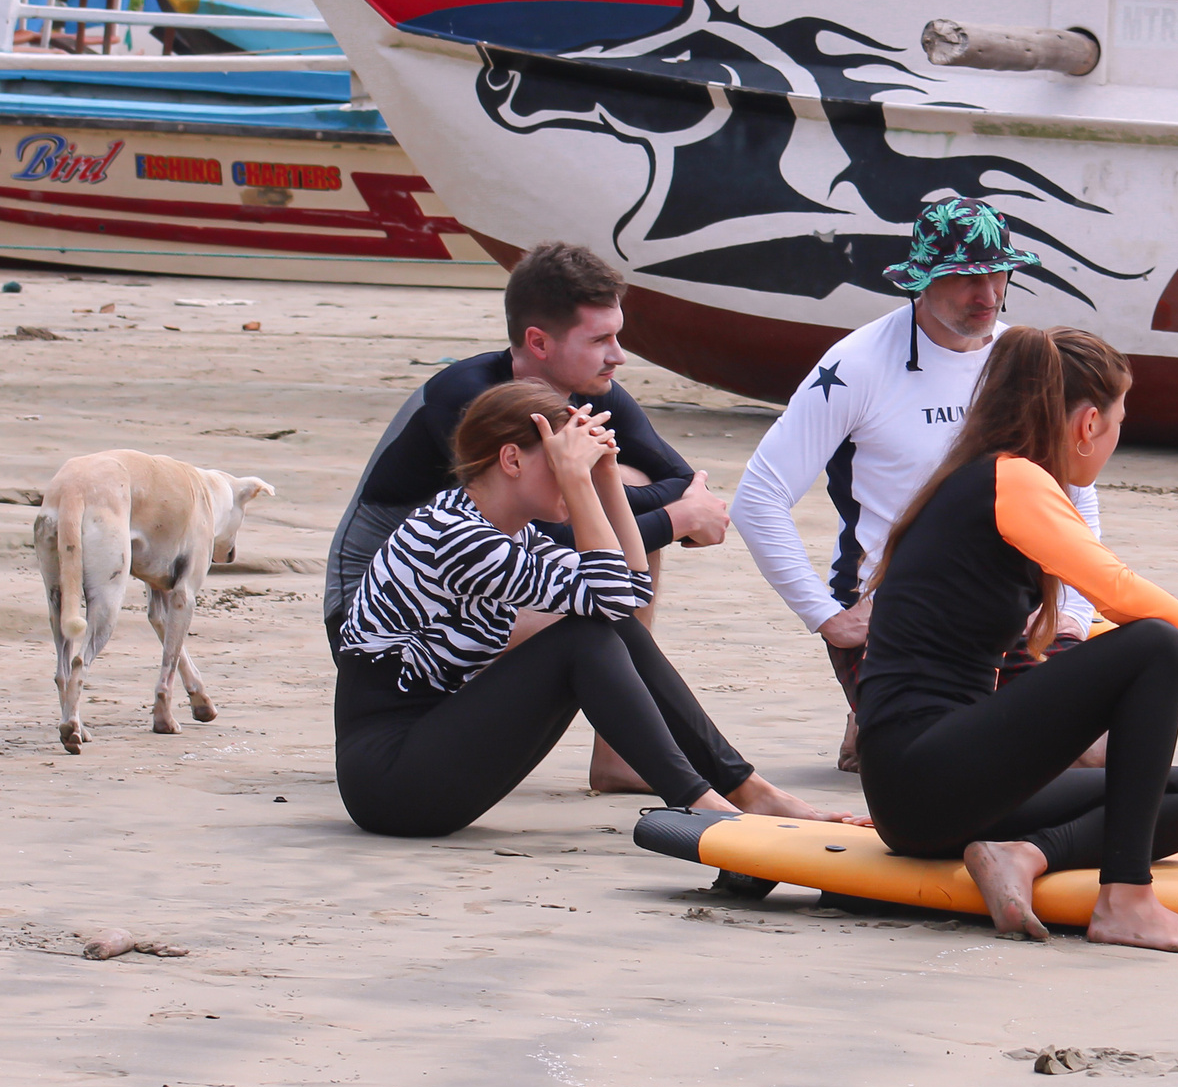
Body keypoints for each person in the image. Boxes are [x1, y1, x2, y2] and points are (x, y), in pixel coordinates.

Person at [855, 325, 1178, 954]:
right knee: (1159, 645)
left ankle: (1023, 854)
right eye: (1120, 420)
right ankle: (1125, 900)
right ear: (1088, 424)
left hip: (938, 788)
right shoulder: (1010, 478)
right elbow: (1116, 590)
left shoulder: (981, 476)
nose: (1117, 436)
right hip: (924, 777)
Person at [332, 380, 844, 839]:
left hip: (428, 754)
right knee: (586, 637)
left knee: (606, 629)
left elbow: (629, 594)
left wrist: (604, 475)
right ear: (511, 460)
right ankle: (703, 802)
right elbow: (613, 599)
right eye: (559, 463)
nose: (570, 475)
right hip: (392, 784)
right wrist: (578, 482)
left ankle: (743, 790)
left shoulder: (506, 531)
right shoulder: (456, 537)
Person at [326, 241, 729, 791]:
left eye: (618, 336)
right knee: (601, 594)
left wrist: (629, 492)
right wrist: (677, 520)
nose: (619, 356)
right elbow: (551, 534)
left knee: (623, 505)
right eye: (600, 340)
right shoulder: (472, 402)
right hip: (391, 622)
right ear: (538, 342)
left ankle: (622, 756)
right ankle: (707, 783)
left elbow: (677, 480)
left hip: (487, 589)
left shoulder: (589, 392)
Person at [731, 197, 1102, 771]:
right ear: (922, 280)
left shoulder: (1024, 360)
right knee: (978, 763)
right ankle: (878, 713)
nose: (987, 294)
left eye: (998, 274)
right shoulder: (856, 365)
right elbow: (759, 497)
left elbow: (1074, 494)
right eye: (966, 278)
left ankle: (876, 721)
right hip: (899, 614)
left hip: (1011, 606)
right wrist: (825, 616)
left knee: (1093, 755)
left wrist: (1072, 610)